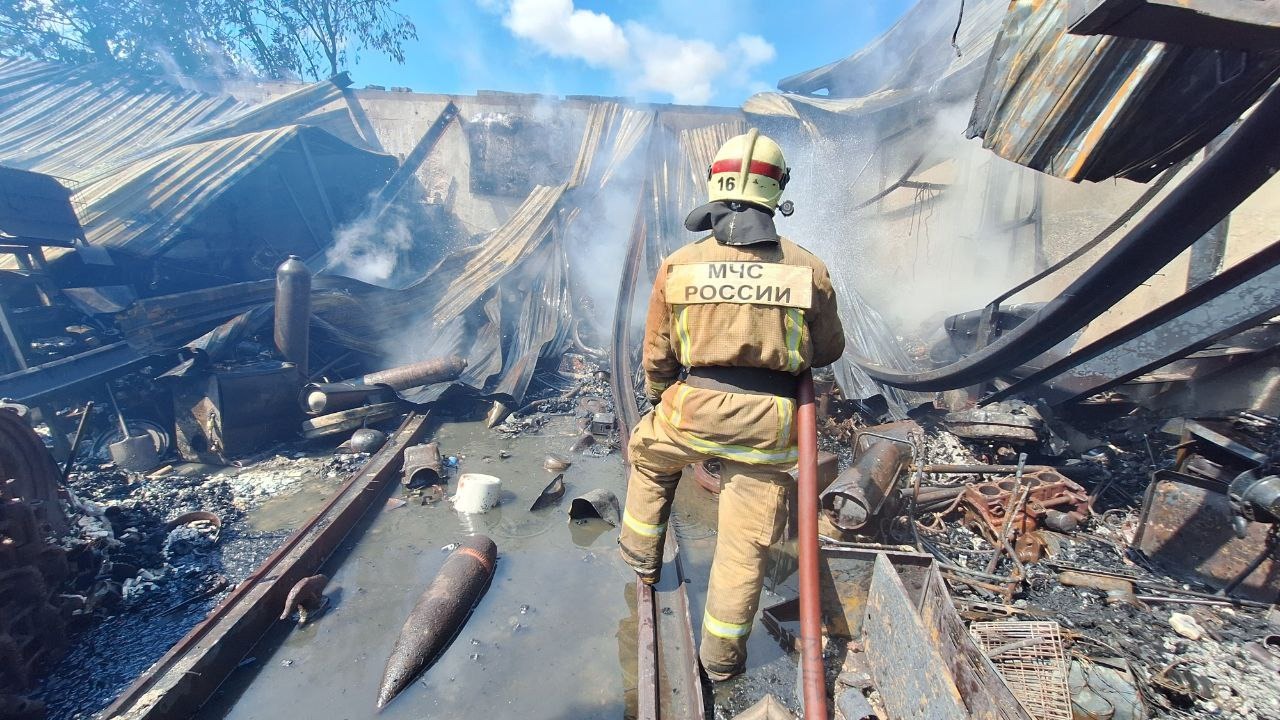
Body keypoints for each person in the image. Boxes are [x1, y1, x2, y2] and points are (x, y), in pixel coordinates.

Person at [618, 129, 846, 682]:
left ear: (716, 186)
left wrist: (660, 403)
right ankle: (720, 663)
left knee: (648, 455)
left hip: (692, 409)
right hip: (770, 424)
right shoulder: (806, 267)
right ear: (778, 190)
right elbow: (831, 349)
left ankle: (641, 562)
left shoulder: (679, 264)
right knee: (745, 546)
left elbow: (658, 353)